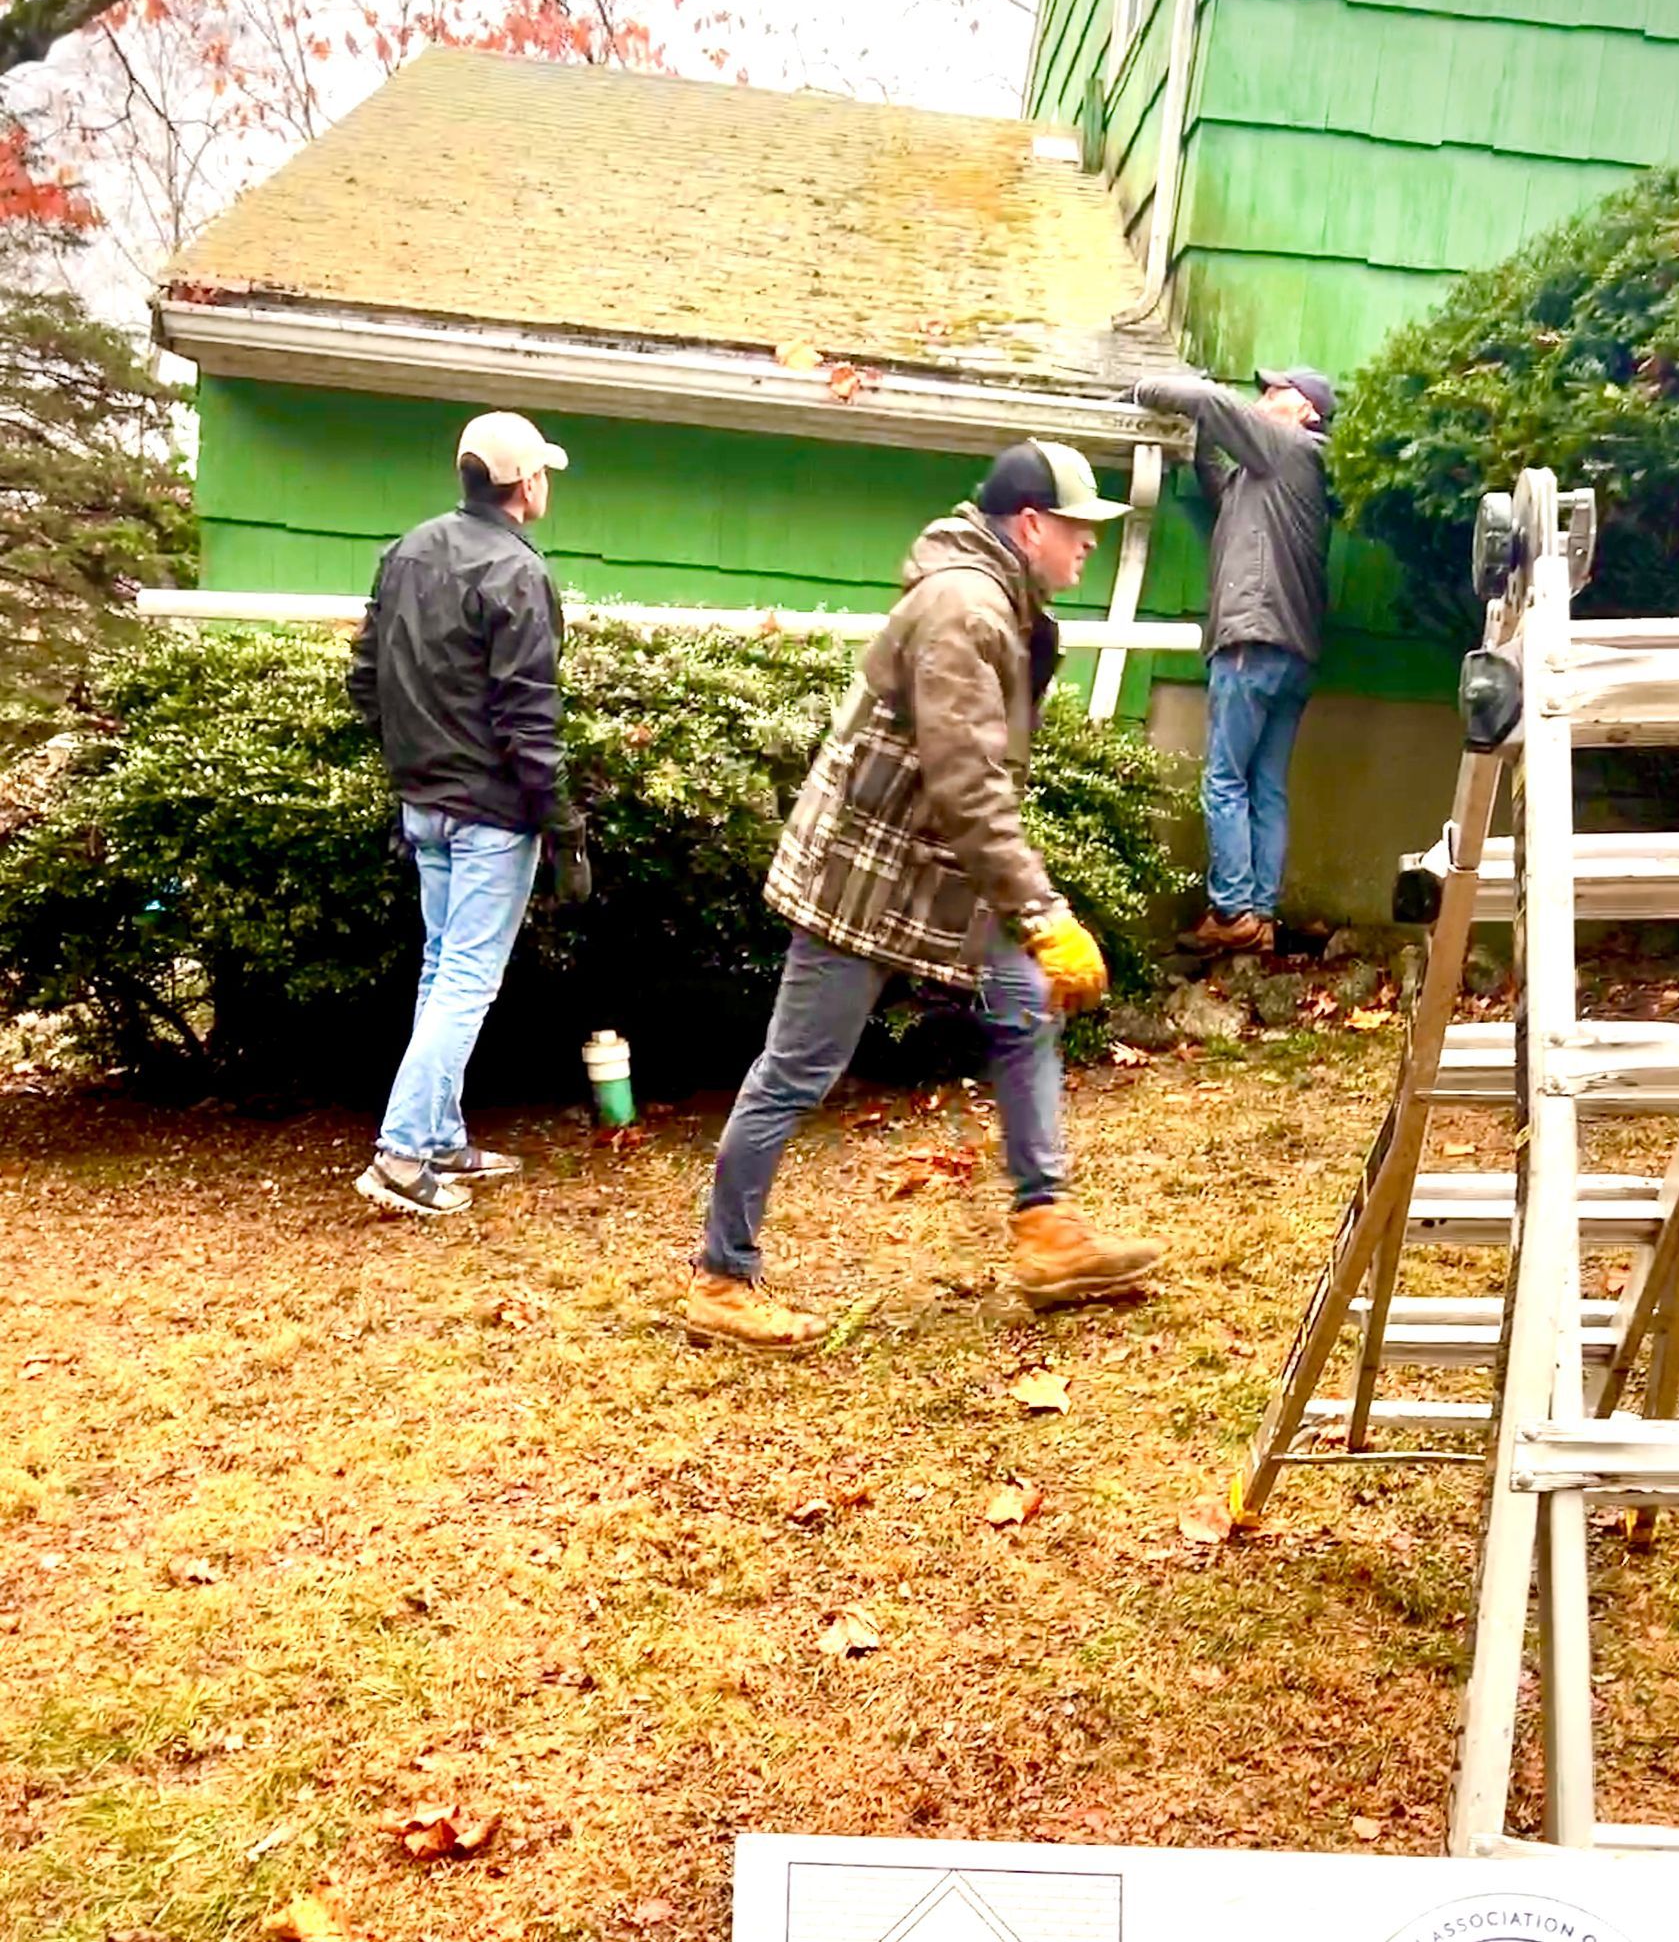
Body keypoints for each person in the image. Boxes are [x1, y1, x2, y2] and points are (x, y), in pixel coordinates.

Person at [684, 439, 1168, 1351]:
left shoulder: (995, 601)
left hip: (929, 878)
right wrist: (1042, 911)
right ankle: (722, 1275)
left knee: (1026, 1009)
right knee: (796, 1073)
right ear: (1030, 525)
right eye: (1078, 528)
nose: (1090, 545)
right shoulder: (963, 610)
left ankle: (1046, 1229)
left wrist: (1024, 918)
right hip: (863, 882)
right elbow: (967, 786)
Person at [347, 409, 588, 1218]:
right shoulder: (519, 574)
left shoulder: (406, 551)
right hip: (491, 814)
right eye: (543, 472)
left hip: (424, 805)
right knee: (465, 983)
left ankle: (441, 1135)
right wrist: (560, 821)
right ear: (526, 482)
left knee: (440, 969)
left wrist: (411, 766)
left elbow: (365, 680)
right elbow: (530, 714)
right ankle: (403, 1154)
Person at [1133, 364, 1334, 954]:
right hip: (1293, 651)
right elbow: (1216, 479)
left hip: (1252, 640)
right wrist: (1199, 439)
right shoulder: (1274, 479)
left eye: (1278, 391)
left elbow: (1210, 402)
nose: (1264, 397)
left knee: (1225, 779)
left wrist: (1144, 389)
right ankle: (1261, 915)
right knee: (1265, 783)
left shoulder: (1291, 447)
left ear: (1309, 412)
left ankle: (1232, 911)